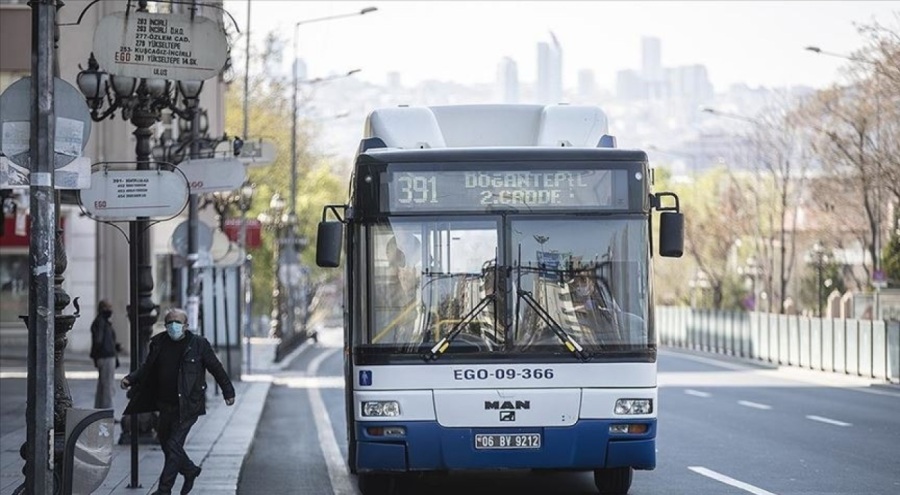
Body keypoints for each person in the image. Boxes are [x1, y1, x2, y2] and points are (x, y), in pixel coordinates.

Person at [120, 308, 236, 495]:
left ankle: (164, 490)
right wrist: (130, 379)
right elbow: (147, 367)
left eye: (178, 322)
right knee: (167, 444)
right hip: (164, 404)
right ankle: (189, 470)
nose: (174, 325)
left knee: (174, 445)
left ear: (186, 325)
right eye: (170, 322)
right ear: (165, 326)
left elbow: (216, 368)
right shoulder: (158, 343)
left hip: (189, 405)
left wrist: (228, 391)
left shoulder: (199, 344)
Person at [90, 299, 120, 409]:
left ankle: (100, 409)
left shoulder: (102, 322)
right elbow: (98, 341)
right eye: (108, 307)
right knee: (108, 386)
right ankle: (108, 411)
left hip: (105, 356)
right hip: (106, 356)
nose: (110, 310)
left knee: (103, 386)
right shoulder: (101, 322)